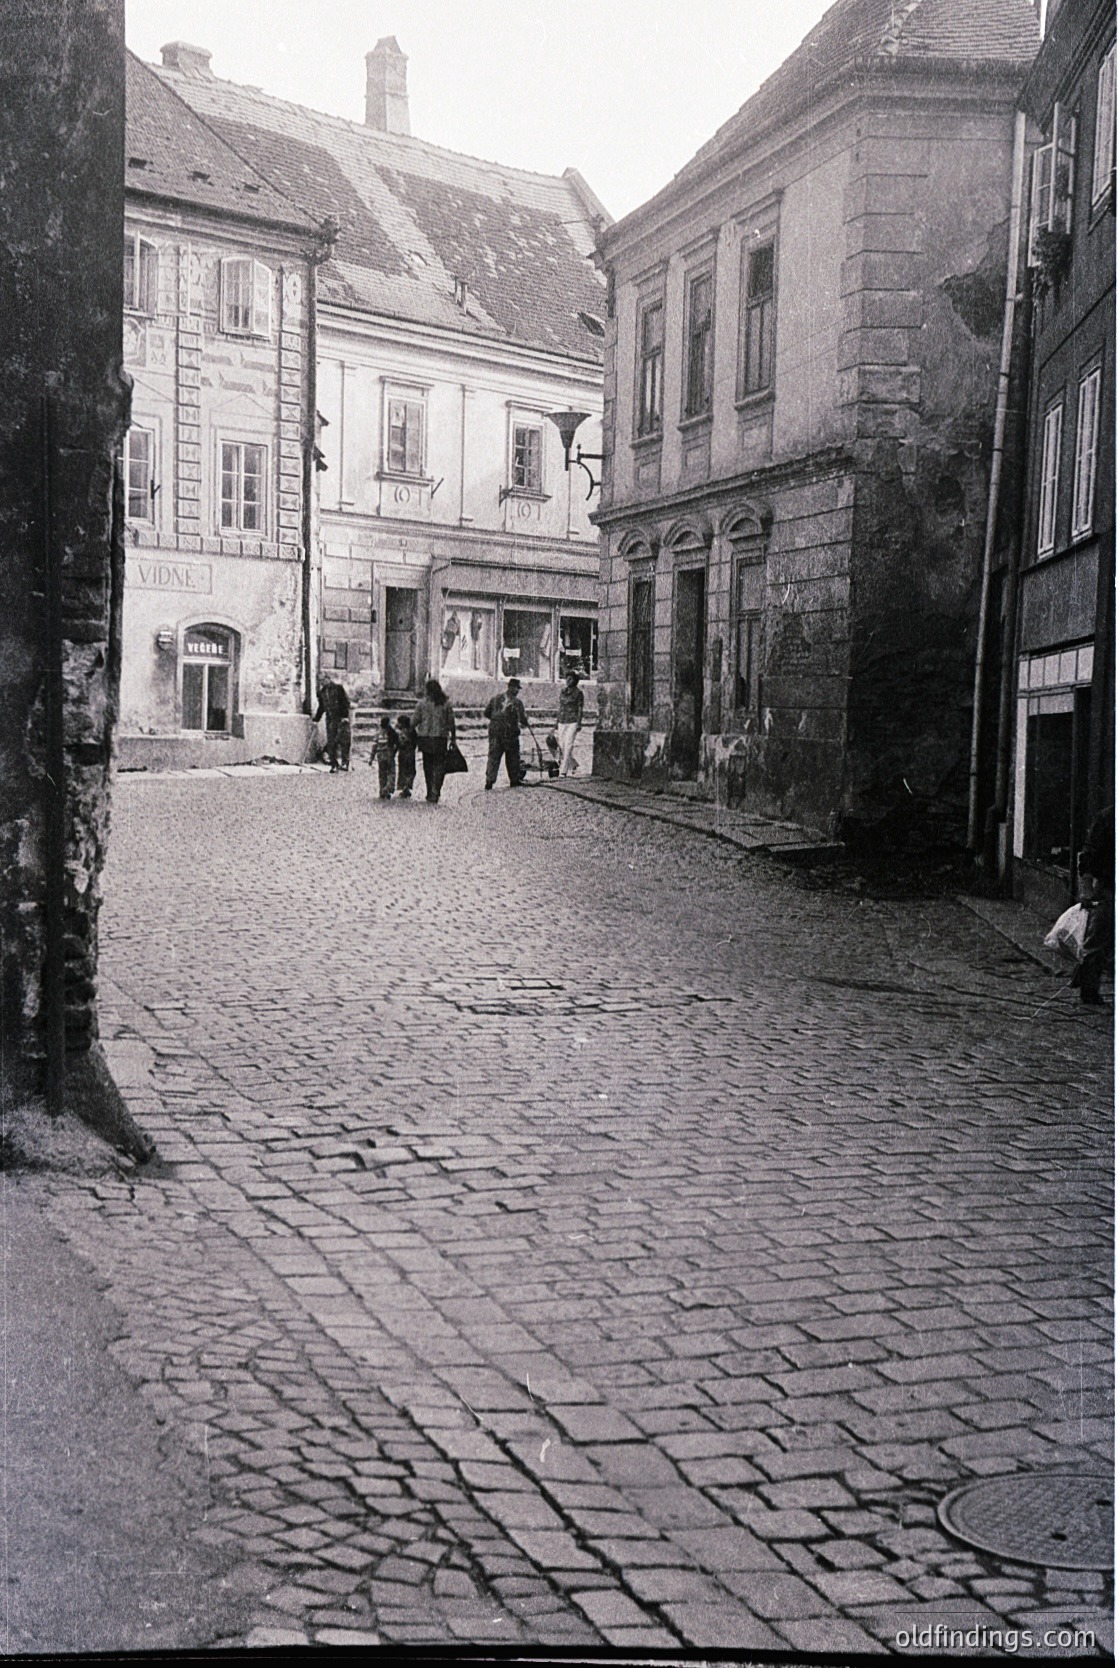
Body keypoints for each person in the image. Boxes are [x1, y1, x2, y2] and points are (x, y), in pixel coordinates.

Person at [1074, 804, 1114, 1006]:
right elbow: (1088, 854)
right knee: (1096, 939)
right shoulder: (1107, 818)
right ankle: (1089, 989)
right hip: (1107, 887)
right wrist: (1087, 888)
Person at [412, 678, 457, 804]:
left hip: (425, 738)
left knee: (428, 766)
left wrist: (409, 732)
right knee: (439, 766)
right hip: (440, 738)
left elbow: (414, 721)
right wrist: (453, 739)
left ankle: (429, 791)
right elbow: (451, 723)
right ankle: (435, 790)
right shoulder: (446, 704)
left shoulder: (421, 704)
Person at [484, 677, 529, 789]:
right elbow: (522, 719)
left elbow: (486, 712)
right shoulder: (517, 702)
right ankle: (514, 780)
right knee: (513, 757)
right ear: (511, 687)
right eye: (517, 688)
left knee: (493, 757)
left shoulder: (495, 699)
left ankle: (489, 781)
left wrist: (496, 720)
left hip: (495, 731)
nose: (517, 691)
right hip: (510, 733)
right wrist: (525, 723)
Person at [314, 674, 351, 772]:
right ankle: (334, 764)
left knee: (344, 741)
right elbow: (321, 707)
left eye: (323, 680)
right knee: (331, 742)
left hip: (340, 718)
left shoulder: (338, 688)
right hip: (330, 719)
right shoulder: (322, 692)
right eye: (320, 680)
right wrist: (316, 719)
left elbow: (345, 702)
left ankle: (345, 763)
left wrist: (345, 716)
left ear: (328, 679)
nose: (321, 682)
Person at [556, 669, 585, 777]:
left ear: (575, 680)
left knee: (568, 745)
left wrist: (579, 722)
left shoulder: (578, 693)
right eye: (567, 678)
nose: (568, 680)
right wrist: (557, 721)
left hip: (572, 721)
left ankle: (563, 771)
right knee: (561, 744)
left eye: (570, 678)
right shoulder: (563, 691)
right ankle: (573, 765)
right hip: (562, 720)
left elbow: (580, 709)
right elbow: (560, 707)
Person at [371, 716, 399, 799]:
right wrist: (394, 752)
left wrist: (371, 758)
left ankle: (382, 790)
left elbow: (374, 747)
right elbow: (397, 744)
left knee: (382, 774)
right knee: (391, 772)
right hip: (389, 755)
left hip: (380, 756)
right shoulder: (391, 733)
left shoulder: (378, 734)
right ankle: (388, 787)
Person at [394, 714, 417, 799]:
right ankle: (407, 786)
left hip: (403, 754)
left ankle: (404, 787)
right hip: (411, 754)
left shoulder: (401, 733)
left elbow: (399, 743)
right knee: (411, 771)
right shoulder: (412, 731)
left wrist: (394, 751)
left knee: (403, 770)